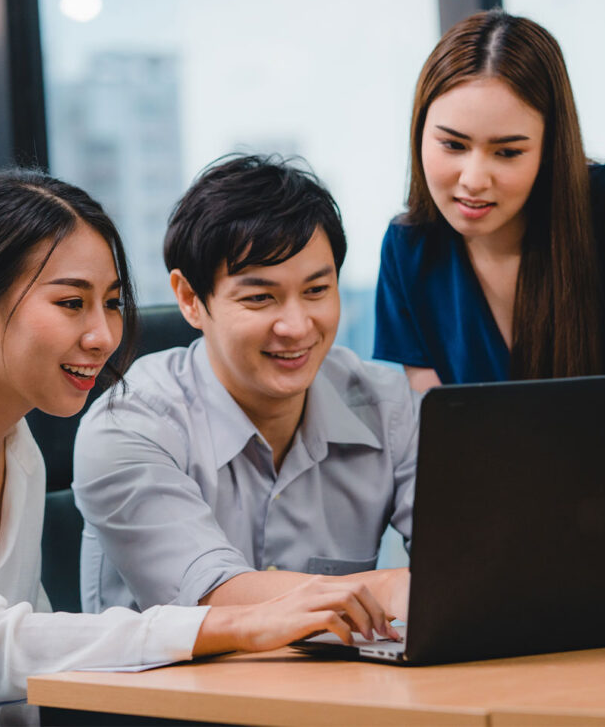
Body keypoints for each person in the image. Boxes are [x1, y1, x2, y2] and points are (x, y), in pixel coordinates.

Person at [0, 169, 391, 726]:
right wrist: (240, 624)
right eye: (71, 303)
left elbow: (23, 669)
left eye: (112, 304)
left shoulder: (16, 446)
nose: (103, 335)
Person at [73, 155, 416, 625]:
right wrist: (391, 587)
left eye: (317, 291)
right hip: (169, 696)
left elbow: (464, 560)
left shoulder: (388, 406)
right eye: (260, 298)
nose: (297, 327)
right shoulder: (130, 425)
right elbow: (209, 593)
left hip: (340, 693)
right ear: (191, 299)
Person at [374, 9, 605, 389]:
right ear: (419, 131)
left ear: (549, 148)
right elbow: (444, 433)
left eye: (507, 152)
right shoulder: (408, 249)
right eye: (452, 144)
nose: (474, 180)